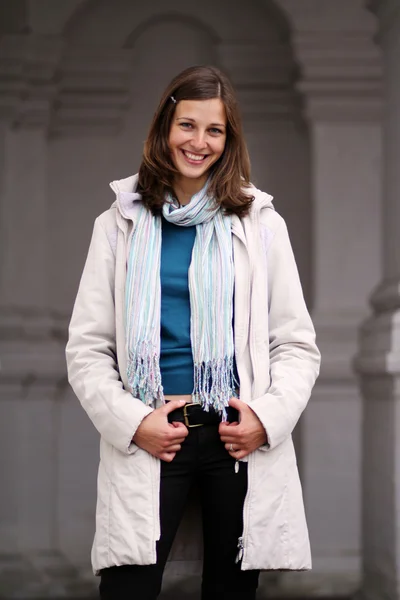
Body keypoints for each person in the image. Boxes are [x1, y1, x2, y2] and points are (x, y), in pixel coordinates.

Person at [66, 65, 321, 600]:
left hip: (235, 437)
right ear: (164, 126)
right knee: (128, 590)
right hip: (154, 434)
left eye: (215, 130)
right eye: (188, 125)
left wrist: (264, 419)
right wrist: (135, 424)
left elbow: (296, 344)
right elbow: (88, 350)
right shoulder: (118, 223)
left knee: (230, 591)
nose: (199, 142)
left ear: (229, 141)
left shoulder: (261, 223)